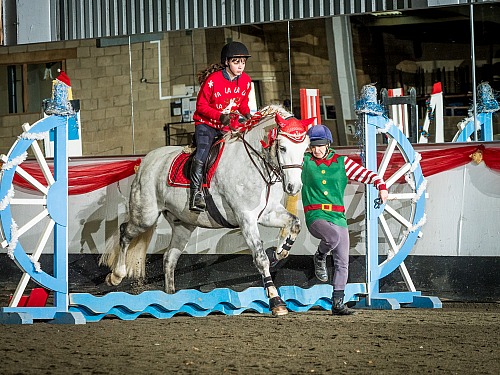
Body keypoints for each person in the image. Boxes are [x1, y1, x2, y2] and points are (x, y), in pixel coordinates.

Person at [301, 124, 388, 315]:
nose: (317, 149)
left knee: (342, 261)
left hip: (338, 215)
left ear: (328, 144)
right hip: (315, 214)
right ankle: (320, 255)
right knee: (332, 238)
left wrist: (381, 184)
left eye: (320, 145)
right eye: (313, 146)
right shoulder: (304, 161)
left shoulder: (342, 162)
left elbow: (365, 174)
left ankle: (337, 303)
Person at [189, 41, 253, 212]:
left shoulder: (246, 81)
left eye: (243, 62)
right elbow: (201, 106)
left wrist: (249, 116)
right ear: (227, 62)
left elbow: (242, 104)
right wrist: (219, 116)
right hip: (206, 124)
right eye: (236, 62)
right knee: (202, 153)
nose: (240, 66)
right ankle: (195, 194)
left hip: (227, 124)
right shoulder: (212, 81)